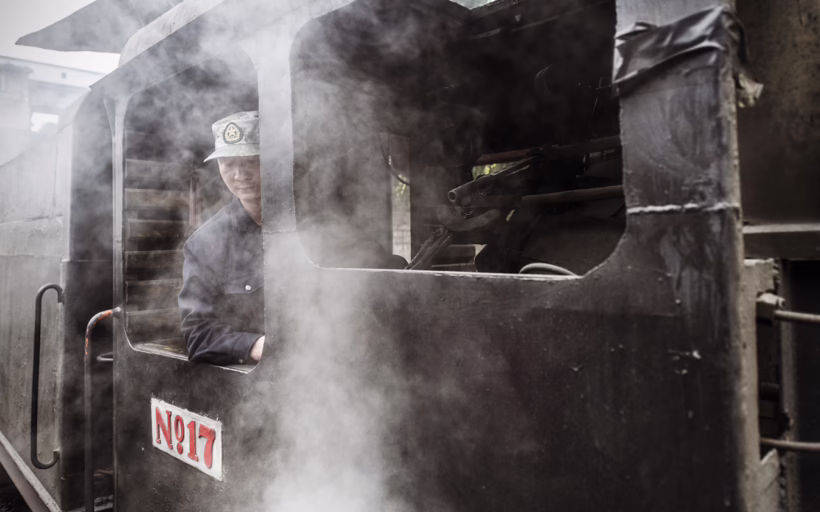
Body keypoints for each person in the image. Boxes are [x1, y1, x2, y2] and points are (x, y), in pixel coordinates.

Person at [179, 111, 266, 365]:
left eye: (251, 161)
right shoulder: (204, 244)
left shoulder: (311, 223)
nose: (240, 175)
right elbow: (198, 334)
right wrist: (253, 345)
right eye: (228, 164)